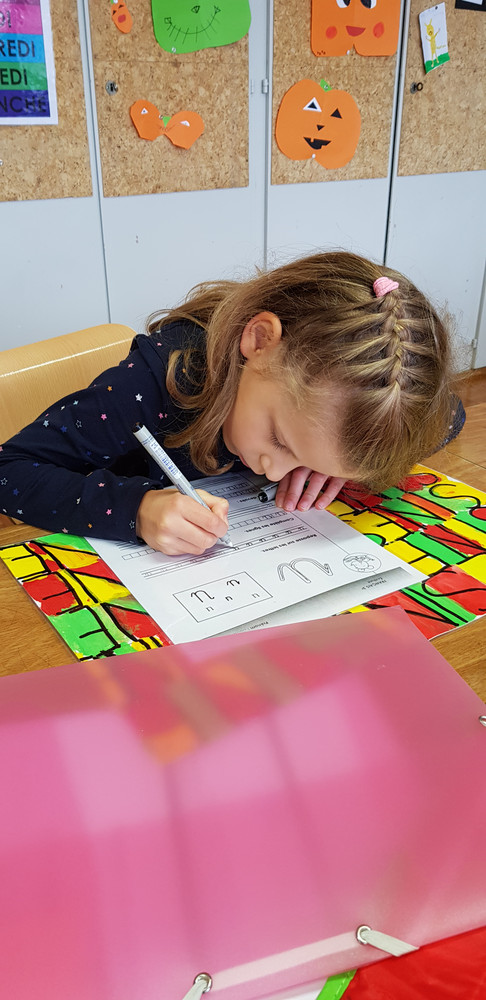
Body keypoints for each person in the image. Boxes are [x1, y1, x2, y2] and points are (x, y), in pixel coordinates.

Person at [0, 252, 464, 556]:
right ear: (259, 342)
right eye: (278, 440)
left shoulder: (353, 401)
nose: (276, 473)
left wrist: (333, 464)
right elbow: (9, 471)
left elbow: (450, 416)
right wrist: (136, 509)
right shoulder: (155, 382)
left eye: (299, 460)